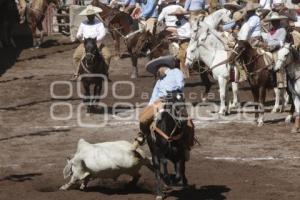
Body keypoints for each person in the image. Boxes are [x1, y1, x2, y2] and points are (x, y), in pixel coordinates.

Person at [133, 56, 195, 159]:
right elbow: (154, 96)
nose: (156, 72)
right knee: (143, 118)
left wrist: (170, 93)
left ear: (162, 67)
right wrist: (149, 107)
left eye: (157, 70)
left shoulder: (176, 72)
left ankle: (186, 146)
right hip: (160, 102)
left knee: (189, 123)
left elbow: (181, 85)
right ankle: (142, 136)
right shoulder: (158, 82)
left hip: (175, 99)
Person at [72, 5, 111, 80]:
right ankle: (76, 74)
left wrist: (95, 41)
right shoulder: (83, 23)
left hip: (97, 43)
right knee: (75, 57)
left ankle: (105, 72)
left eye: (91, 15)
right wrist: (80, 37)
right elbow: (79, 34)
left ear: (94, 14)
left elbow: (102, 34)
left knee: (107, 55)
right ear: (86, 15)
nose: (90, 16)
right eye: (88, 15)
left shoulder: (99, 23)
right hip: (85, 43)